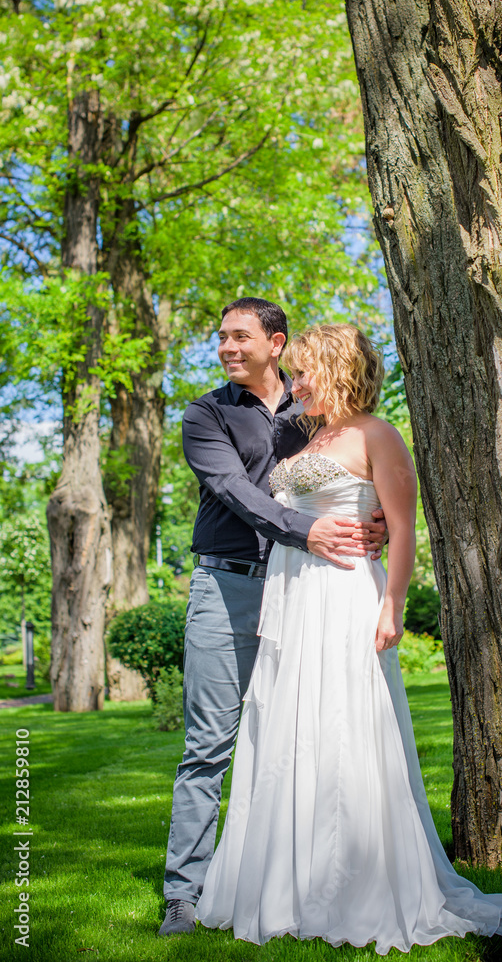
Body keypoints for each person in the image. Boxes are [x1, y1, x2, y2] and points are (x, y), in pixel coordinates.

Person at [195, 324, 502, 951]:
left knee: (347, 723)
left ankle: (354, 881)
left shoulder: (377, 433)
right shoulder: (306, 434)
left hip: (347, 593)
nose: (294, 387)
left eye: (304, 374)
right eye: (292, 376)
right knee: (291, 725)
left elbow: (402, 529)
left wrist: (391, 604)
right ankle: (286, 882)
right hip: (291, 595)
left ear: (337, 369)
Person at [159, 300, 387, 936]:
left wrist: (381, 522)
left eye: (240, 336)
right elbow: (234, 491)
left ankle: (306, 880)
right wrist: (308, 529)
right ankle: (185, 889)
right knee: (209, 744)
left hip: (311, 593)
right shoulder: (207, 414)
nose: (227, 347)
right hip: (227, 590)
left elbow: (359, 469)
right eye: (222, 338)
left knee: (302, 731)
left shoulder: (312, 404)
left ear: (275, 342)